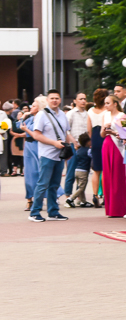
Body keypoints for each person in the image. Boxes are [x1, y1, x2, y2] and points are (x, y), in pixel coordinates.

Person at [28, 89, 70, 222]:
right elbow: (36, 135)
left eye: (57, 98)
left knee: (55, 185)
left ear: (60, 99)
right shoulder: (41, 115)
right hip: (47, 154)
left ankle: (53, 212)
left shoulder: (62, 114)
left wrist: (72, 144)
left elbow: (66, 133)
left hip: (59, 155)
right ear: (47, 100)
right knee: (43, 184)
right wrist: (54, 143)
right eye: (52, 98)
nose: (54, 100)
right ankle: (35, 212)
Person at [99, 95, 126, 218]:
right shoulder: (105, 115)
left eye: (108, 103)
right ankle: (109, 208)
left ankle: (119, 208)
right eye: (105, 103)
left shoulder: (124, 116)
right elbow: (101, 134)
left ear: (115, 103)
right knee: (107, 176)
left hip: (118, 146)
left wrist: (114, 131)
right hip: (107, 144)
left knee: (118, 175)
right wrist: (105, 128)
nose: (105, 105)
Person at [64, 91, 88, 197]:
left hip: (85, 146)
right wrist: (73, 141)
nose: (83, 101)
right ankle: (68, 194)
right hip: (75, 145)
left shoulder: (88, 113)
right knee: (71, 171)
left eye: (84, 99)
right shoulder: (71, 113)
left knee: (83, 172)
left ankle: (79, 195)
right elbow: (66, 130)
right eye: (80, 99)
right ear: (75, 101)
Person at [87, 88, 108, 208]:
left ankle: (95, 195)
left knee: (96, 170)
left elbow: (88, 128)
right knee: (105, 169)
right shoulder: (107, 111)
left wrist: (92, 140)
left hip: (95, 137)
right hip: (104, 137)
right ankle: (105, 195)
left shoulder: (90, 111)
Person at [67, 132, 92, 207]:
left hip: (77, 170)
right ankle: (70, 199)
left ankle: (83, 201)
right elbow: (91, 157)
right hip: (84, 171)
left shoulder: (79, 150)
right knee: (81, 188)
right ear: (87, 142)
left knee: (80, 186)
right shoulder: (88, 150)